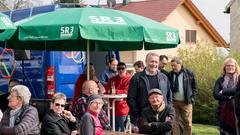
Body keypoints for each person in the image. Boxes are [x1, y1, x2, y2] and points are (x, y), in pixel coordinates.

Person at [127, 52, 172, 133]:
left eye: (156, 62)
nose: (154, 64)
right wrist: (138, 115)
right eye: (151, 61)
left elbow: (169, 96)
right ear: (146, 62)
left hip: (162, 120)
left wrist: (168, 112)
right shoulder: (137, 78)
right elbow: (130, 99)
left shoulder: (164, 77)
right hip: (144, 120)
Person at [169, 57, 197, 135]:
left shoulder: (189, 73)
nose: (173, 67)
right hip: (174, 102)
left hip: (186, 102)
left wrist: (192, 98)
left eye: (174, 65)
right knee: (174, 122)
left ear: (180, 64)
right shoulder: (170, 74)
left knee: (188, 123)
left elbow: (195, 87)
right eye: (172, 66)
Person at [213, 58, 239, 135]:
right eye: (228, 65)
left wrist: (224, 92)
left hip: (237, 110)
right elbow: (215, 94)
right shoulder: (220, 80)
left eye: (232, 66)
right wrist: (228, 97)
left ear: (235, 67)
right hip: (223, 110)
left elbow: (237, 91)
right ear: (225, 67)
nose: (230, 67)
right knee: (224, 131)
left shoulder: (239, 79)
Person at [105, 62, 132, 131]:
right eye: (119, 68)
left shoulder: (130, 79)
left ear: (126, 69)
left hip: (122, 109)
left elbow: (127, 91)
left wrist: (115, 91)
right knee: (112, 130)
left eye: (122, 68)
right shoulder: (112, 79)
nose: (120, 70)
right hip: (111, 109)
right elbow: (106, 89)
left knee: (123, 131)